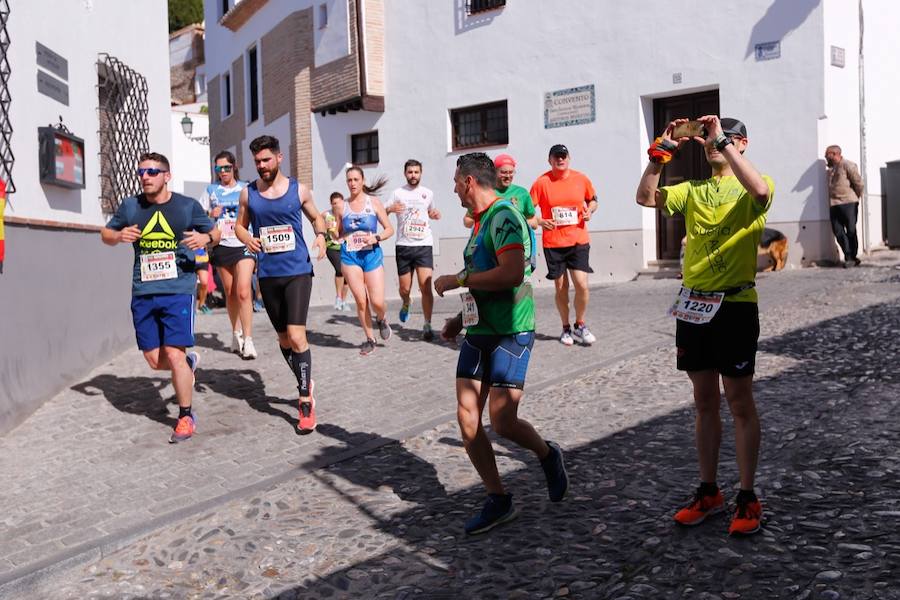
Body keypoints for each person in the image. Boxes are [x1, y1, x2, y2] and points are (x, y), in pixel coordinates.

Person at [636, 115, 774, 536]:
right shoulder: (693, 189)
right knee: (703, 402)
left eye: (726, 138)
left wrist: (722, 141)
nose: (713, 143)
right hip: (695, 305)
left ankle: (747, 495)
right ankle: (709, 490)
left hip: (735, 304)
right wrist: (661, 152)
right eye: (709, 138)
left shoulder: (754, 182)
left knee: (738, 399)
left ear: (742, 143)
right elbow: (645, 198)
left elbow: (761, 191)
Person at [435, 152, 569, 535]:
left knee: (503, 421)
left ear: (470, 182)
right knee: (466, 416)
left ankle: (547, 454)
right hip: (479, 332)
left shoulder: (505, 217)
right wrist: (460, 320)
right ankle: (498, 498)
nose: (454, 188)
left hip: (512, 329)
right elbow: (484, 276)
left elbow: (510, 274)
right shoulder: (479, 223)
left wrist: (457, 279)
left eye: (456, 181)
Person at [100, 152, 220, 443]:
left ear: (167, 175)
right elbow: (105, 233)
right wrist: (118, 236)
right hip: (143, 291)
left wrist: (205, 239)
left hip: (178, 290)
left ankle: (185, 415)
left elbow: (215, 233)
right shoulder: (130, 207)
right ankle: (189, 364)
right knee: (155, 360)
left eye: (153, 171)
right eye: (142, 172)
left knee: (174, 354)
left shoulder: (187, 207)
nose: (146, 176)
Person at [234, 135, 327, 433]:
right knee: (284, 340)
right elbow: (239, 225)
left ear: (279, 157)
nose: (261, 166)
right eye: (257, 162)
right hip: (268, 274)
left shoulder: (298, 190)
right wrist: (246, 237)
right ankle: (305, 376)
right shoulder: (249, 194)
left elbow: (316, 217)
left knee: (298, 337)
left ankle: (304, 400)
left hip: (298, 271)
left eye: (266, 160)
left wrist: (322, 235)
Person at [530, 144, 599, 347]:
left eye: (563, 156)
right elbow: (527, 211)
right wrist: (541, 221)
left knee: (582, 285)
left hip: (578, 239)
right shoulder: (541, 183)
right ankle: (565, 327)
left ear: (569, 158)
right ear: (549, 160)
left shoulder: (581, 178)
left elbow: (593, 200)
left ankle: (581, 323)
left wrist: (590, 211)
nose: (560, 160)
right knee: (561, 287)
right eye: (556, 157)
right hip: (554, 243)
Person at [203, 150, 257, 358]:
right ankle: (236, 333)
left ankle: (249, 340)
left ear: (234, 167)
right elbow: (199, 217)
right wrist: (210, 214)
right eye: (219, 168)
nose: (223, 172)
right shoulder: (211, 190)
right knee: (230, 292)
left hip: (244, 242)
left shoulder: (246, 188)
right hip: (222, 244)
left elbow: (256, 211)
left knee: (244, 290)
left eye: (226, 167)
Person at [337, 165, 395, 355]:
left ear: (362, 181)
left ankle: (381, 317)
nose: (352, 183)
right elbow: (338, 233)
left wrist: (376, 238)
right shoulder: (341, 206)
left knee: (377, 301)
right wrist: (336, 236)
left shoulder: (374, 202)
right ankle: (370, 339)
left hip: (371, 254)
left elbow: (388, 229)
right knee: (361, 301)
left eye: (355, 180)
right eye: (349, 180)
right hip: (350, 256)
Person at [386, 159, 441, 340]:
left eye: (416, 172)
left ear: (421, 173)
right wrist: (390, 209)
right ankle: (406, 302)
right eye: (410, 172)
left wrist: (435, 214)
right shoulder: (397, 193)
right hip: (403, 246)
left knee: (425, 286)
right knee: (404, 288)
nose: (413, 175)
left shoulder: (428, 193)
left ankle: (427, 324)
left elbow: (432, 212)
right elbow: (383, 211)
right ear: (405, 173)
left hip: (424, 244)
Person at [463, 154, 538, 229]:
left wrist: (517, 223)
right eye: (503, 172)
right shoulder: (484, 192)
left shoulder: (522, 193)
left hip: (516, 240)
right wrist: (485, 221)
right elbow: (467, 220)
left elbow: (534, 222)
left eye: (511, 172)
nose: (508, 176)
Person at [825, 145, 864, 267]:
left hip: (849, 203)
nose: (826, 157)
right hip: (834, 204)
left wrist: (855, 198)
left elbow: (859, 183)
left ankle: (852, 256)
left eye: (827, 155)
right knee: (838, 231)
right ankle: (849, 256)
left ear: (835, 154)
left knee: (851, 230)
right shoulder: (831, 169)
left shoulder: (848, 165)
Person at [323, 191, 351, 311]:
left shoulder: (347, 215)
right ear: (331, 204)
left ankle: (343, 301)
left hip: (345, 246)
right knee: (339, 269)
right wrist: (324, 228)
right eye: (334, 203)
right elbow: (315, 221)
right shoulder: (327, 215)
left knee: (348, 276)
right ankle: (338, 297)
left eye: (339, 203)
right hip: (332, 247)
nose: (337, 206)